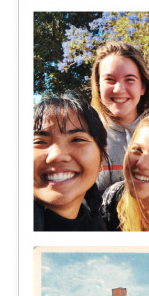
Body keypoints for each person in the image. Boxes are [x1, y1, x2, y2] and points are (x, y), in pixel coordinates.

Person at [91, 41, 149, 192]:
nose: (119, 89)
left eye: (129, 79)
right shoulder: (85, 134)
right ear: (98, 86)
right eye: (109, 79)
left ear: (142, 87)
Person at [33, 93, 108, 231]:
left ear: (102, 159)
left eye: (77, 140)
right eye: (39, 142)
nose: (57, 156)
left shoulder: (97, 227)